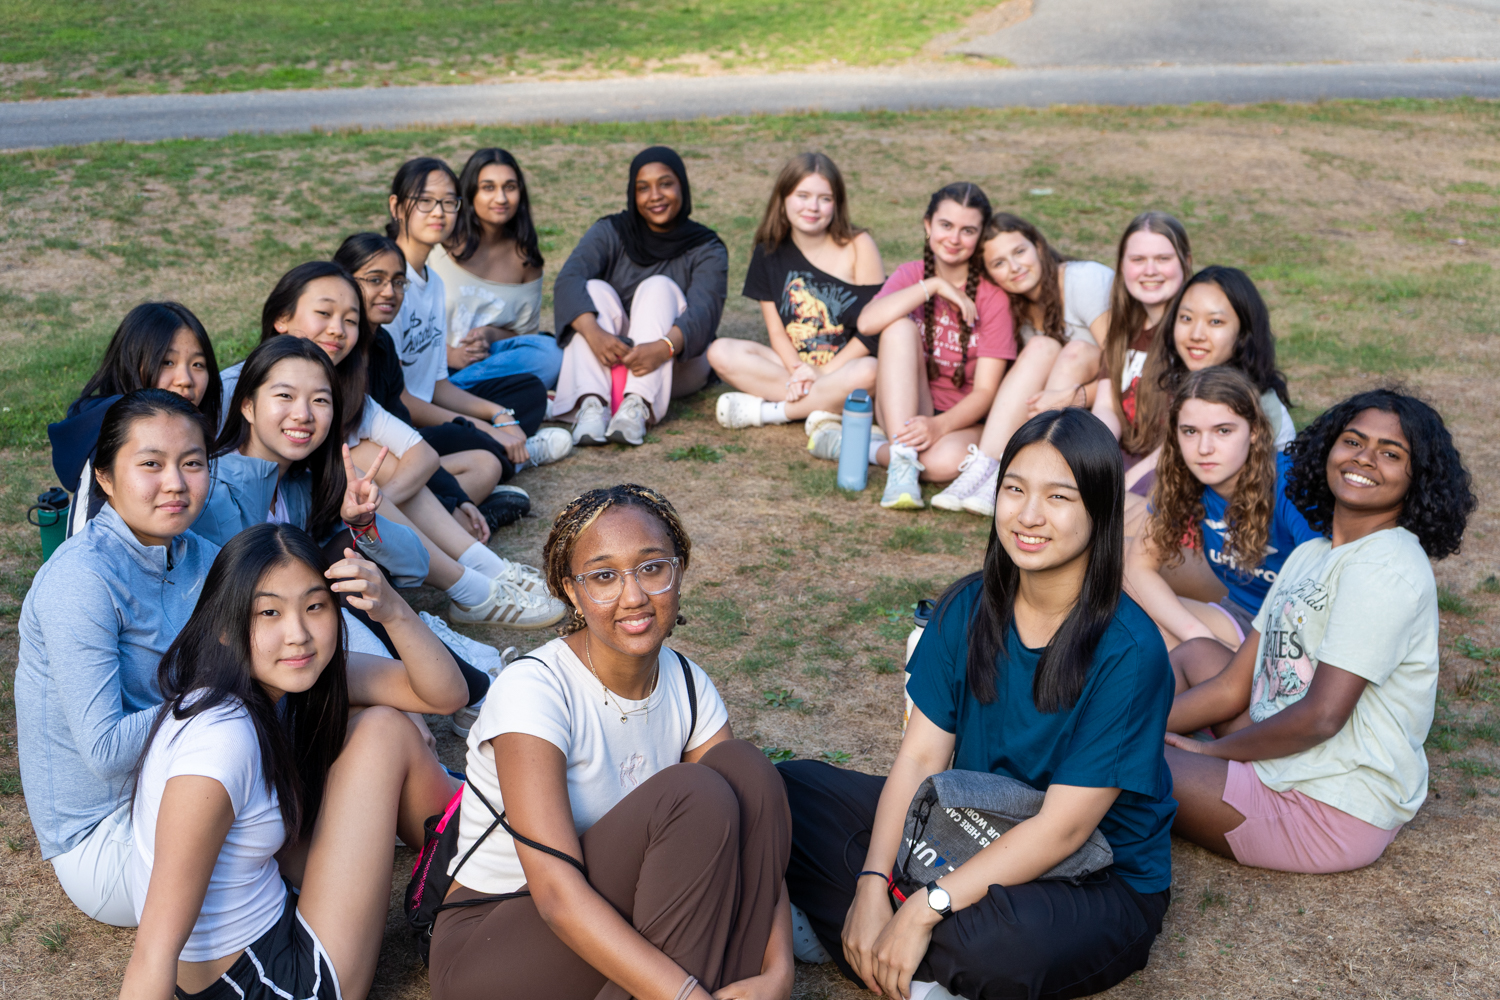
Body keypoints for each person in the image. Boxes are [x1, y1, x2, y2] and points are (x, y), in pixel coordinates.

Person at [780, 408, 1174, 1000]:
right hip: (966, 821)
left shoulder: (1130, 650)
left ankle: (890, 946)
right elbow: (917, 763)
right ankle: (898, 955)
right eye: (1014, 489)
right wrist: (869, 884)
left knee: (996, 946)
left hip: (1094, 873)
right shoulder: (967, 606)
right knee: (787, 795)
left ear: (1100, 509)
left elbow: (1064, 831)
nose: (1029, 515)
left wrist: (923, 909)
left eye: (1059, 497)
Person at [429, 485, 794, 1000]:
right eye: (603, 576)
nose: (633, 595)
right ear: (571, 590)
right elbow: (556, 895)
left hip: (616, 918)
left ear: (679, 570)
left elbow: (757, 843)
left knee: (748, 770)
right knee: (695, 794)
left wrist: (778, 975)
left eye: (651, 568)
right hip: (497, 942)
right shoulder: (534, 690)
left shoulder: (690, 686)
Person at [120, 522, 466, 1000]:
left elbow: (446, 694)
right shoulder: (219, 745)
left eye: (314, 606)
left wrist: (392, 609)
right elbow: (153, 953)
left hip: (273, 921)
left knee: (369, 720)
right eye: (268, 612)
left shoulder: (281, 681)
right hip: (272, 984)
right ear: (224, 627)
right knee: (383, 731)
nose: (298, 634)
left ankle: (483, 864)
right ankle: (484, 874)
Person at [1164, 388, 1475, 875]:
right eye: (1353, 441)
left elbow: (1323, 718)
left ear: (1418, 479)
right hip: (1282, 751)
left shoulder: (1385, 569)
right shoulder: (1314, 554)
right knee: (1198, 653)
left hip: (1327, 805)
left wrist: (1209, 750)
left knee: (1121, 763)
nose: (1365, 459)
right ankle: (1109, 730)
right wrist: (1147, 728)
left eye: (1391, 454)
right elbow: (1231, 685)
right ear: (1328, 449)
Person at [18, 390, 221, 927]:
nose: (176, 482)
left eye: (192, 463)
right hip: (105, 839)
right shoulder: (80, 580)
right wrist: (218, 693)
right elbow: (106, 750)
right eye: (151, 463)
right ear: (105, 477)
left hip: (184, 784)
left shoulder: (200, 556)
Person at [198, 336, 564, 630]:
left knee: (354, 551)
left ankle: (471, 608)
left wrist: (364, 523)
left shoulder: (303, 485)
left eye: (320, 400)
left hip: (313, 626)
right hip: (264, 646)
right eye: (285, 396)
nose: (303, 414)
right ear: (246, 405)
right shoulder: (213, 490)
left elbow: (414, 563)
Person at [814, 182, 1014, 511]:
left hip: (960, 419)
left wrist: (938, 425)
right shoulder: (912, 274)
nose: (953, 238)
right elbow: (867, 323)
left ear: (980, 237)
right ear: (927, 225)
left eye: (968, 230)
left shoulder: (993, 297)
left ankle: (855, 446)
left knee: (937, 466)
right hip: (903, 406)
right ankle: (902, 463)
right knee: (899, 327)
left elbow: (986, 392)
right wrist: (932, 286)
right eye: (945, 226)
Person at [334, 233, 535, 532]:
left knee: (485, 463)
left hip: (397, 462)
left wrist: (458, 496)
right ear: (344, 281)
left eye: (398, 282)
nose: (389, 291)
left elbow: (401, 423)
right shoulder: (334, 348)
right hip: (354, 472)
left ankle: (456, 516)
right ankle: (461, 526)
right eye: (374, 280)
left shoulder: (382, 345)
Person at [382, 158, 573, 470]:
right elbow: (399, 400)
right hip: (396, 423)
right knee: (472, 443)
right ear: (397, 207)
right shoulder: (389, 285)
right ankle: (506, 457)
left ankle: (498, 455)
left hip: (433, 403)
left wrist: (498, 414)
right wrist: (485, 426)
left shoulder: (434, 283)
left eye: (448, 202)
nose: (438, 212)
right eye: (426, 201)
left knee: (528, 394)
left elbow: (438, 386)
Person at [1125, 367, 1320, 652]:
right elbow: (1139, 568)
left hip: (1296, 633)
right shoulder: (1182, 477)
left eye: (1223, 431)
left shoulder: (1290, 485)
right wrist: (1198, 637)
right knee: (1117, 589)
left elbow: (1331, 592)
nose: (1204, 448)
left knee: (1158, 648)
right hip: (1238, 615)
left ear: (1254, 431)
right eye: (1190, 431)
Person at [935, 214, 1113, 516]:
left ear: (1039, 247)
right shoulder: (1015, 309)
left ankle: (1021, 473)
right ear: (990, 275)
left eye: (1019, 252)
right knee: (1041, 345)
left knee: (1076, 351)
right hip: (1056, 406)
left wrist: (1077, 396)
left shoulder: (1084, 280)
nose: (1015, 267)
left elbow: (1126, 364)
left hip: (1108, 400)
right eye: (999, 263)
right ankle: (988, 466)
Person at [550, 146, 729, 446]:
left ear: (682, 186)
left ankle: (637, 407)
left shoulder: (707, 247)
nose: (655, 195)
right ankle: (591, 405)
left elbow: (704, 312)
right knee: (592, 290)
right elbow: (568, 279)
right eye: (643, 188)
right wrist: (594, 334)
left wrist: (663, 347)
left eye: (666, 184)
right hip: (611, 357)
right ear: (632, 195)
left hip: (675, 363)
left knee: (658, 286)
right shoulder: (611, 231)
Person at [709, 152, 884, 429]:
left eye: (825, 199)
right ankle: (825, 404)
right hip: (793, 369)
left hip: (848, 368)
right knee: (720, 351)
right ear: (783, 199)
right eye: (802, 195)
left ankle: (773, 412)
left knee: (871, 372)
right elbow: (777, 333)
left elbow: (873, 333)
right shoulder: (768, 252)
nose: (812, 207)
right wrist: (798, 371)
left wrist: (823, 372)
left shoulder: (858, 245)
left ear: (837, 204)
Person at [1118, 265, 1295, 506]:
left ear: (1243, 333)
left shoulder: (1261, 407)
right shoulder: (1177, 379)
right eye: (1186, 318)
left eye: (1215, 321)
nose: (1196, 334)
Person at [48, 301, 222, 537]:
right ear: (131, 362)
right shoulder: (111, 438)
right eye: (167, 362)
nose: (185, 379)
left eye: (198, 364)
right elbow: (86, 544)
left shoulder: (192, 433)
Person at [429, 147, 565, 390]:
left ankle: (452, 396)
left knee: (550, 354)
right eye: (488, 187)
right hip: (430, 360)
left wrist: (489, 335)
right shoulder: (439, 242)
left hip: (484, 367)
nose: (501, 198)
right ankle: (454, 398)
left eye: (510, 187)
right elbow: (407, 321)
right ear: (470, 193)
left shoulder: (526, 261)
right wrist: (450, 355)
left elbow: (522, 339)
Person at [1089, 211, 1192, 493]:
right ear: (1122, 266)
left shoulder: (1193, 333)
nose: (1150, 270)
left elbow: (1184, 435)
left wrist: (1127, 485)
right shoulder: (1123, 327)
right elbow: (1107, 407)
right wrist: (1097, 458)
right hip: (1125, 455)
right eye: (1138, 260)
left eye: (1163, 259)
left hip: (1172, 461)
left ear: (1186, 261)